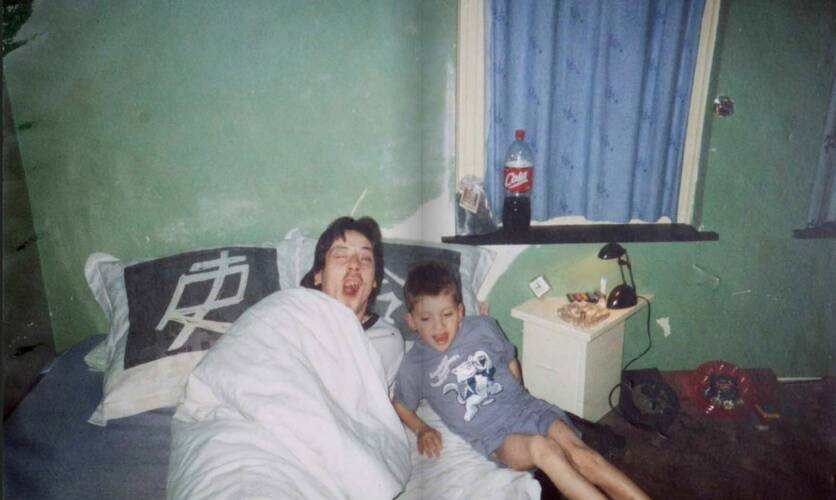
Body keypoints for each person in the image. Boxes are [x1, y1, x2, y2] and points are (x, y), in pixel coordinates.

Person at [392, 261, 649, 500]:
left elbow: (510, 360)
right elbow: (401, 405)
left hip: (528, 408)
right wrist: (422, 429)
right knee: (542, 448)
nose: (438, 327)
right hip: (496, 436)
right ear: (411, 321)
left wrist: (520, 392)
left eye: (447, 314)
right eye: (426, 318)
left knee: (583, 456)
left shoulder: (482, 327)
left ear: (460, 312)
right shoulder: (415, 365)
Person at [300, 215, 404, 387]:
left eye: (365, 258)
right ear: (318, 275)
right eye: (341, 255)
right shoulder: (294, 323)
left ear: (374, 281)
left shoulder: (386, 340)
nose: (355, 264)